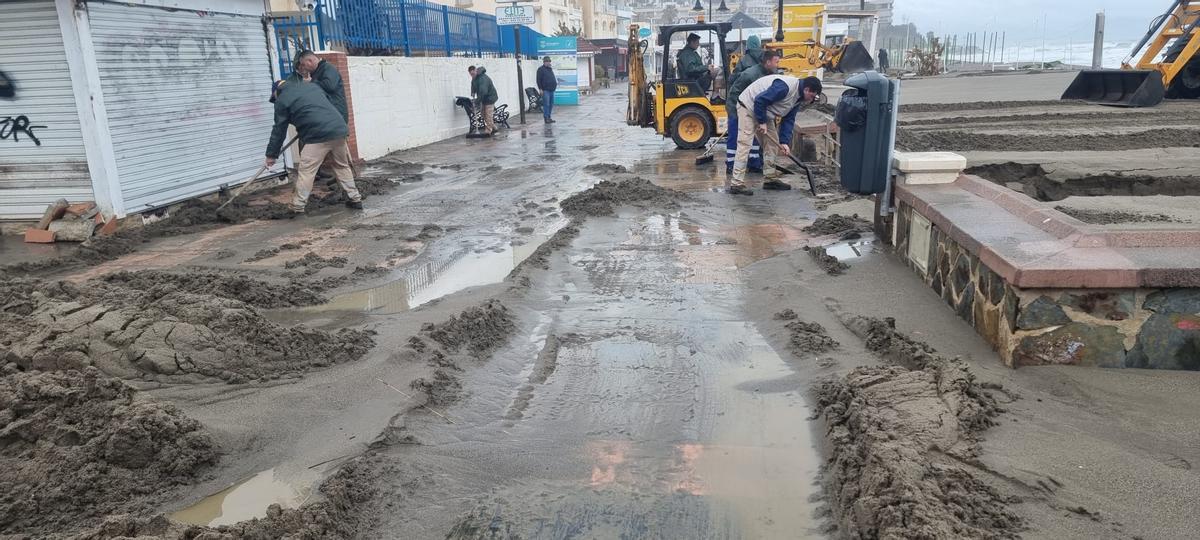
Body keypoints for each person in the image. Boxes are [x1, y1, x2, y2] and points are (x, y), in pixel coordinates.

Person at [264, 78, 363, 212]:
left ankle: (298, 206)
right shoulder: (312, 87)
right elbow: (324, 106)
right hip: (339, 130)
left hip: (317, 136)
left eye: (274, 98)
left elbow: (279, 130)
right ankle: (355, 198)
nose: (275, 101)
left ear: (276, 92)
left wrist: (271, 155)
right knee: (341, 165)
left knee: (307, 171)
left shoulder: (282, 100)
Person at [729, 74, 822, 195]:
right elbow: (760, 100)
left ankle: (770, 179)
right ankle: (736, 184)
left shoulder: (798, 98)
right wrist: (761, 122)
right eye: (812, 96)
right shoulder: (784, 87)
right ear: (807, 89)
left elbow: (789, 120)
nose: (811, 99)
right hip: (748, 107)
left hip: (764, 111)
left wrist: (784, 142)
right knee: (745, 144)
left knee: (772, 145)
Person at [724, 50, 780, 174]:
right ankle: (731, 164)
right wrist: (736, 111)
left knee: (754, 135)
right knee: (736, 136)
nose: (778, 65)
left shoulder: (769, 73)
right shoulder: (751, 74)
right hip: (736, 105)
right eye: (776, 62)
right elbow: (735, 92)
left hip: (753, 107)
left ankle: (754, 162)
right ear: (768, 62)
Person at [294, 50, 346, 181]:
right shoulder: (316, 73)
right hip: (324, 116)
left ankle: (343, 176)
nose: (304, 68)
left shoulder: (328, 69)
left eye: (304, 65)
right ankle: (327, 172)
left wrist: (310, 84)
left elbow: (330, 86)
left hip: (335, 115)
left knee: (339, 151)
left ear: (310, 61)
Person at [470, 66, 499, 135]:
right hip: (483, 99)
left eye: (473, 74)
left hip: (490, 98)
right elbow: (473, 85)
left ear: (476, 70)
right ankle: (494, 127)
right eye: (471, 74)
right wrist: (473, 92)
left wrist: (477, 101)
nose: (472, 75)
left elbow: (483, 92)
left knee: (488, 115)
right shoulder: (474, 78)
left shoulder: (483, 78)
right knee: (483, 114)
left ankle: (488, 131)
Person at [536, 56, 558, 123]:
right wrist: (540, 89)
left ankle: (549, 117)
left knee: (551, 104)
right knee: (546, 104)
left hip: (551, 90)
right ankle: (546, 118)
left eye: (549, 61)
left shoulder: (550, 69)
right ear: (544, 62)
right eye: (547, 61)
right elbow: (538, 80)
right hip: (545, 90)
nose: (548, 63)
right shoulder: (540, 69)